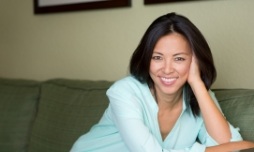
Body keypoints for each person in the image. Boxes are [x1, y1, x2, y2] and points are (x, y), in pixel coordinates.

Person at [71, 12, 254, 152]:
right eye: (157, 57)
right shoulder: (124, 92)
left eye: (179, 59)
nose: (167, 69)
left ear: (195, 61)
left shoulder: (201, 97)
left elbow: (232, 145)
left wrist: (197, 83)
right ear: (146, 58)